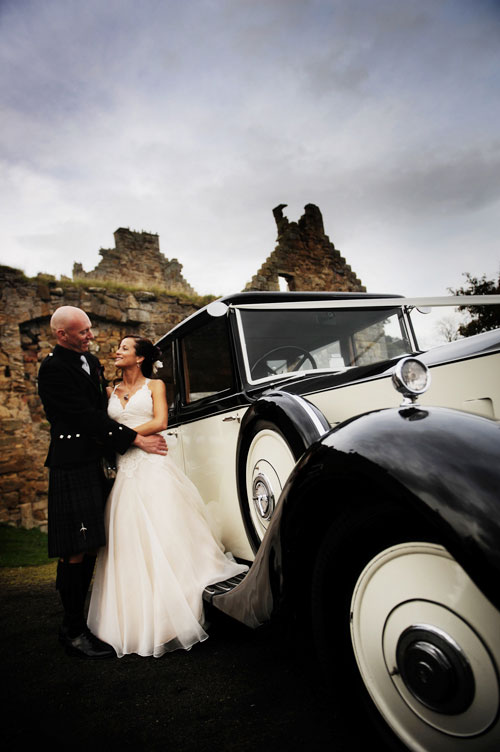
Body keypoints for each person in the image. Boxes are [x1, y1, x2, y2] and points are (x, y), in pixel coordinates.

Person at [87, 335, 248, 658]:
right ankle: (138, 616)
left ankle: (178, 610)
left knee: (168, 532)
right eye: (118, 348)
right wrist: (133, 440)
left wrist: (130, 437)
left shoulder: (155, 386)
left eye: (125, 348)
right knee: (130, 541)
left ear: (141, 357)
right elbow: (105, 431)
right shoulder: (109, 391)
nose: (117, 352)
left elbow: (161, 421)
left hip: (154, 466)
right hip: (126, 471)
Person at [38, 307, 168, 659]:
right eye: (82, 332)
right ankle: (73, 629)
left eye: (90, 329)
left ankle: (87, 622)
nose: (91, 336)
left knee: (92, 541)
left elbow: (102, 408)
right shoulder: (53, 369)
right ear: (62, 334)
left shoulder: (92, 362)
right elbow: (83, 416)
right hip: (72, 465)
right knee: (74, 549)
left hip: (96, 462)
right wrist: (136, 440)